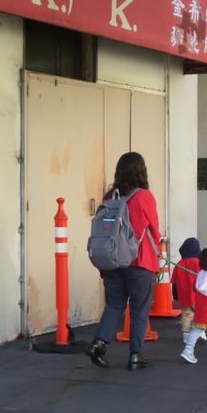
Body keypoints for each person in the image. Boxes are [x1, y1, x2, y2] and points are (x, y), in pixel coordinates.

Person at [86, 152, 161, 370]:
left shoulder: (109, 197)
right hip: (139, 261)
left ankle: (98, 343)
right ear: (142, 171)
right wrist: (159, 251)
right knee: (139, 308)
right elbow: (154, 230)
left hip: (112, 260)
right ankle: (135, 355)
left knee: (115, 304)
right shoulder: (144, 196)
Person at [171, 237, 206, 342]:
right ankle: (200, 331)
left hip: (184, 297)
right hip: (198, 297)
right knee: (200, 314)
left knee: (187, 315)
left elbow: (175, 282)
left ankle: (186, 335)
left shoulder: (179, 264)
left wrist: (175, 295)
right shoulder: (200, 263)